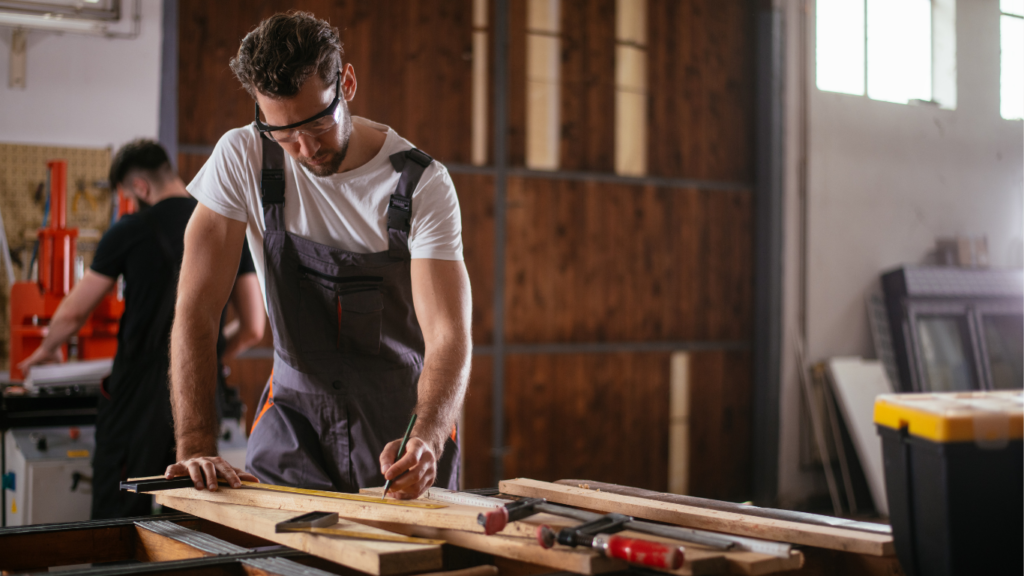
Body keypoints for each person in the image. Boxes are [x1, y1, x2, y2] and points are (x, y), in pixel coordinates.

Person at [164, 11, 472, 500]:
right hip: (293, 423)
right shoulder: (242, 156)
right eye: (282, 133)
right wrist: (195, 444)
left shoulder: (420, 185)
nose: (305, 149)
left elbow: (449, 335)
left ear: (346, 83)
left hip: (400, 430)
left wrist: (428, 437)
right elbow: (196, 311)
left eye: (316, 123)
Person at [19, 139, 265, 519]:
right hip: (200, 397)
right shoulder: (226, 224)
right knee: (192, 512)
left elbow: (73, 314)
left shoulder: (130, 229)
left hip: (136, 401)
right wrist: (204, 360)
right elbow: (253, 326)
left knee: (119, 517)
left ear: (140, 188)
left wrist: (48, 349)